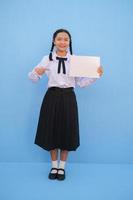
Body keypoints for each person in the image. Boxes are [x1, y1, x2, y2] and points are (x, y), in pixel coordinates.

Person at [28, 29, 103, 181]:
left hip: (68, 97)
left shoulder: (75, 60)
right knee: (51, 129)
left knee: (67, 130)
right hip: (52, 97)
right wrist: (37, 72)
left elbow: (81, 83)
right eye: (59, 39)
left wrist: (96, 76)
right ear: (54, 41)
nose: (63, 42)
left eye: (66, 39)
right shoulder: (47, 58)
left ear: (69, 42)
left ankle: (62, 167)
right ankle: (53, 165)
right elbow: (32, 78)